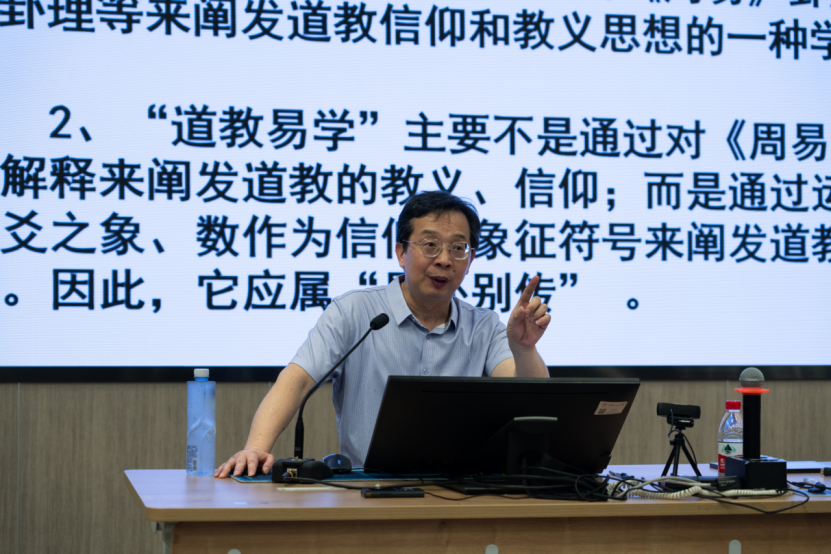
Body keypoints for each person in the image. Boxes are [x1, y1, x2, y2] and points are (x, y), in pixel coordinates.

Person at [215, 191, 551, 479]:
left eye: (458, 248)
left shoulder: (484, 326)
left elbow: (529, 398)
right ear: (401, 252)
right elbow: (297, 380)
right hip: (368, 492)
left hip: (459, 492)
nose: (445, 260)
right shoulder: (354, 312)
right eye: (430, 245)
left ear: (470, 259)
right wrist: (255, 448)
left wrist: (524, 348)